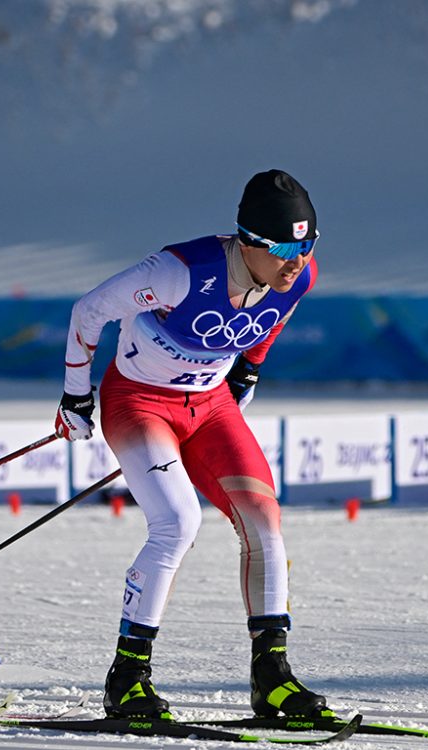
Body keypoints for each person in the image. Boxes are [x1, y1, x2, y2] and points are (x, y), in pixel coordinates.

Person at [54, 169, 331, 720]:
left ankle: (271, 679)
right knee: (178, 523)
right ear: (248, 241)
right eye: (283, 248)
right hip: (141, 404)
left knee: (264, 522)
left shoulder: (296, 277)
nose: (296, 260)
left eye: (307, 244)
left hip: (210, 410)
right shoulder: (179, 272)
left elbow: (274, 320)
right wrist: (75, 396)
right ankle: (127, 679)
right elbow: (89, 311)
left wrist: (247, 371)